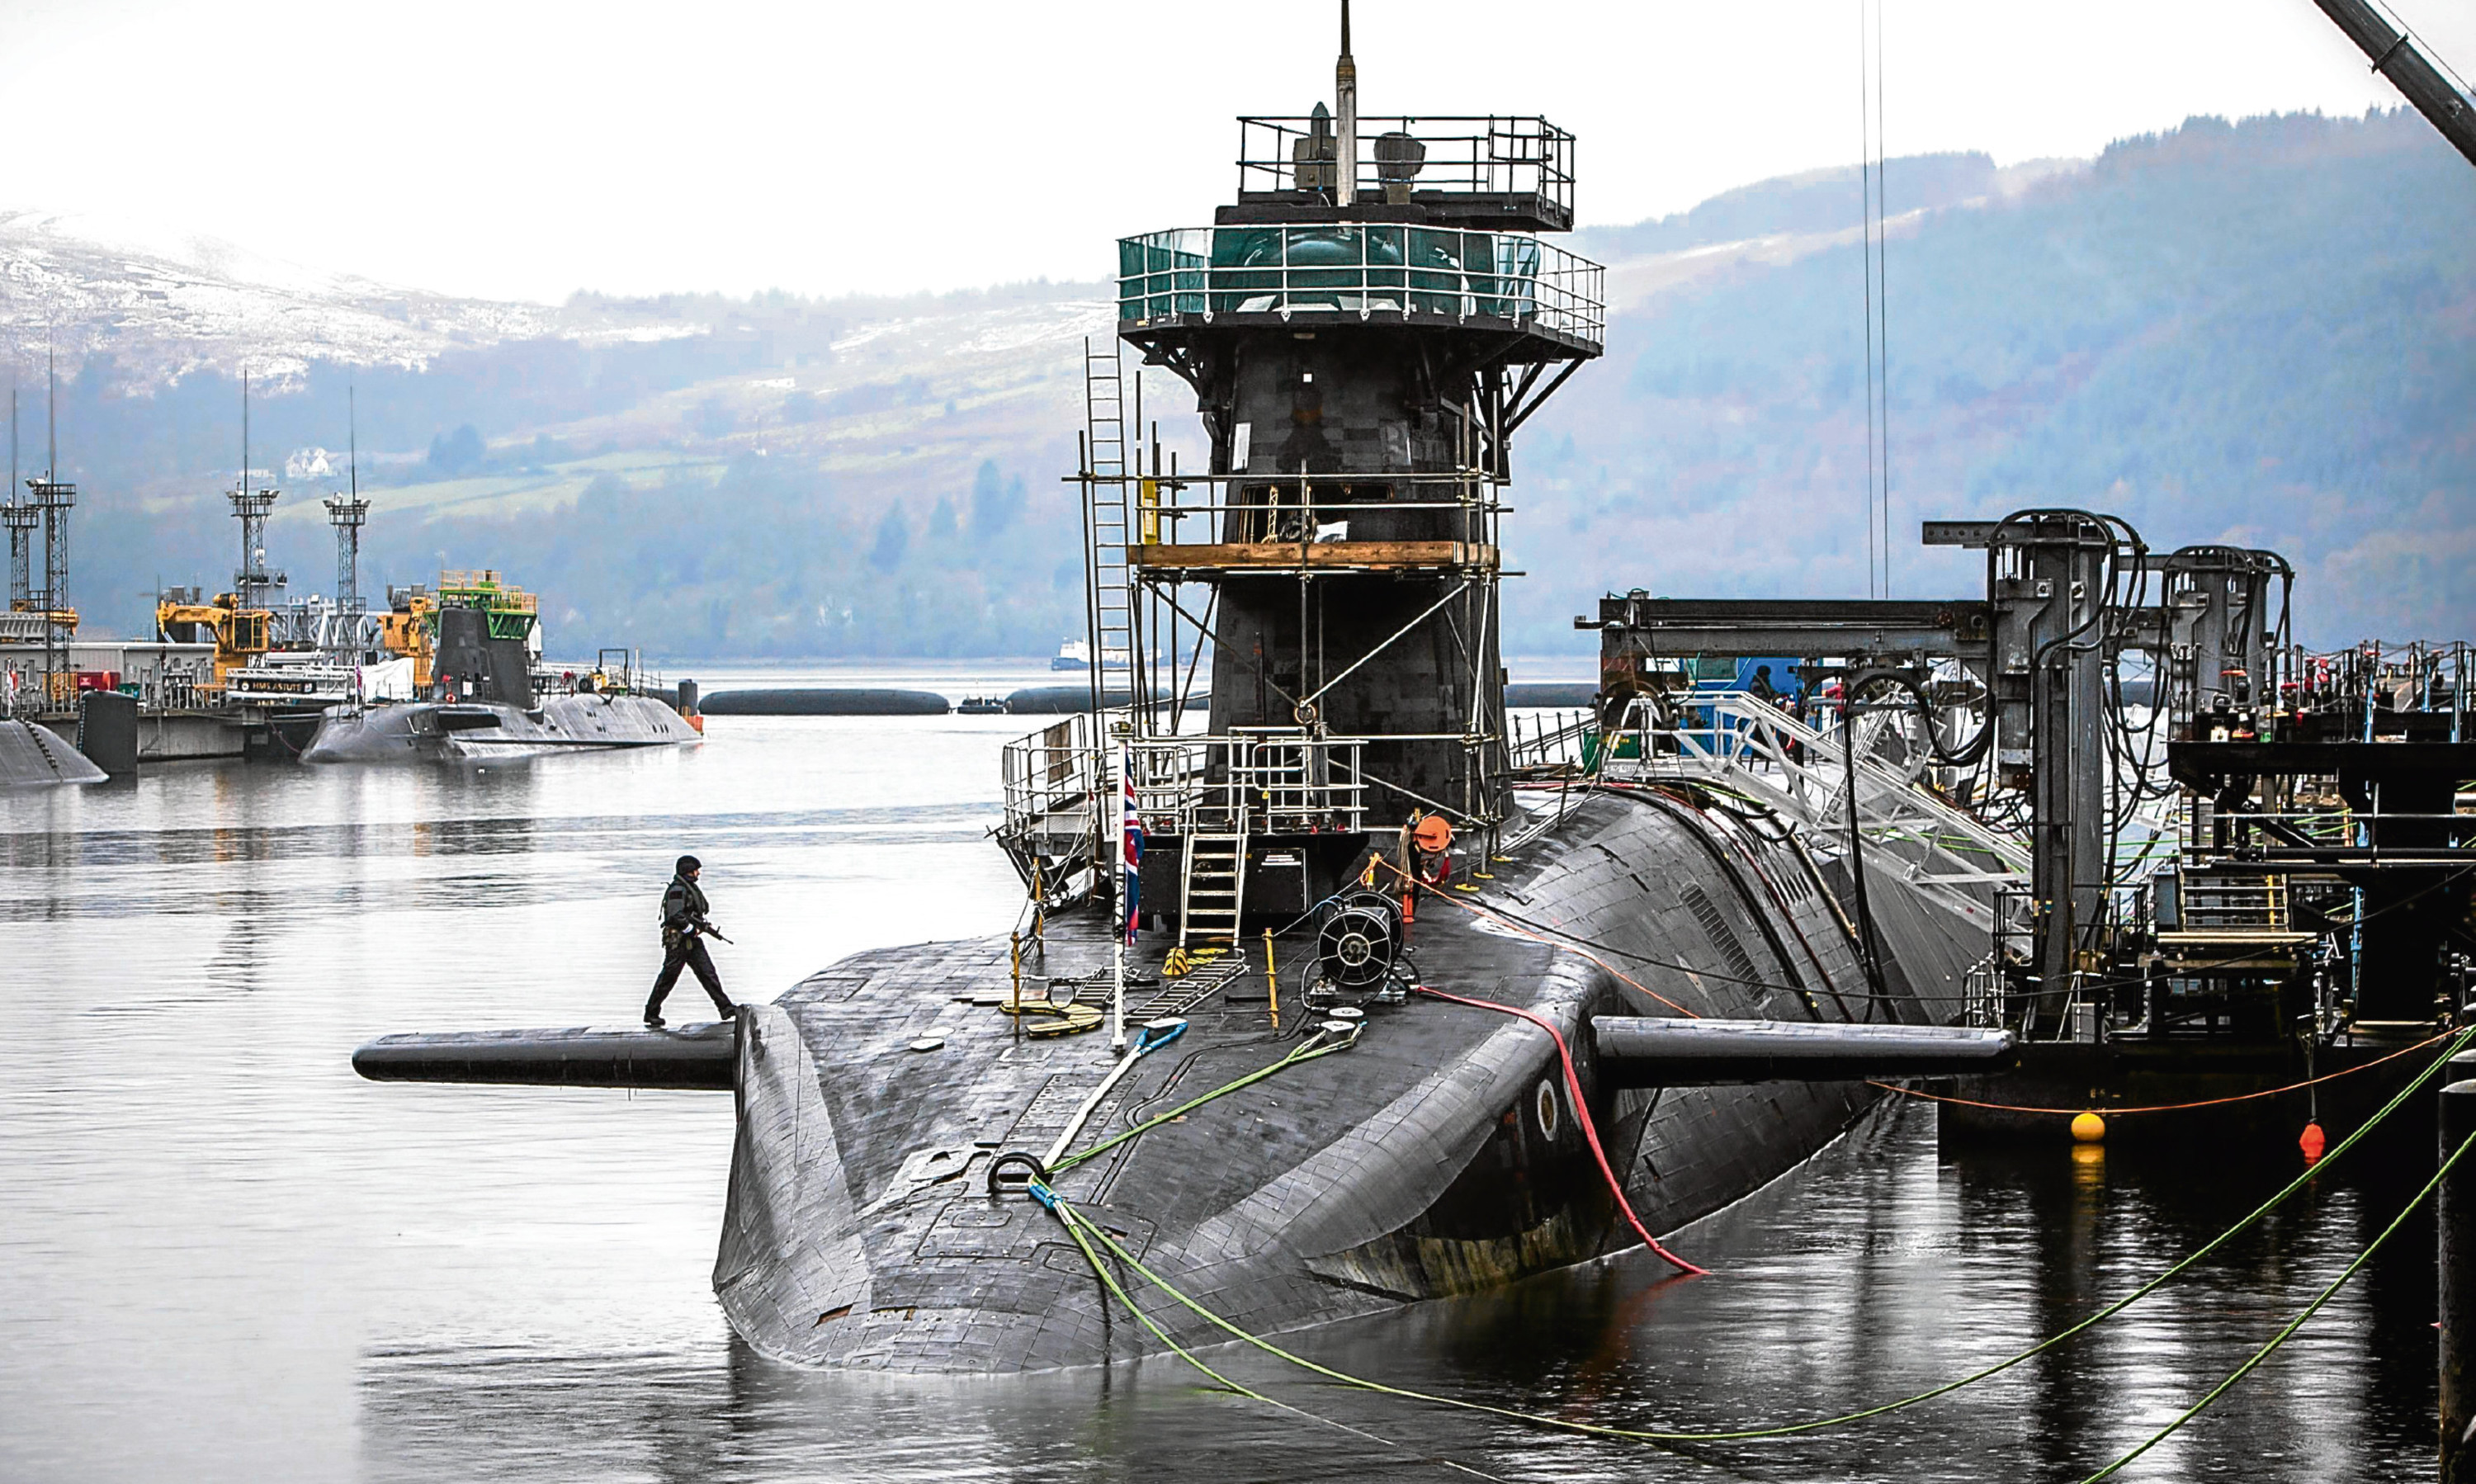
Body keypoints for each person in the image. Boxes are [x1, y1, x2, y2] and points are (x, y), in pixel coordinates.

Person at [645, 854, 736, 1027]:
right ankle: (651, 1012)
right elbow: (675, 915)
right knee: (668, 978)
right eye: (696, 870)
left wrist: (699, 927)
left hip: (692, 941)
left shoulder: (688, 888)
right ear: (688, 871)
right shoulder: (677, 890)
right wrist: (690, 929)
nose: (698, 874)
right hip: (678, 941)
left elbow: (690, 913)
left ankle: (726, 1008)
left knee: (708, 973)